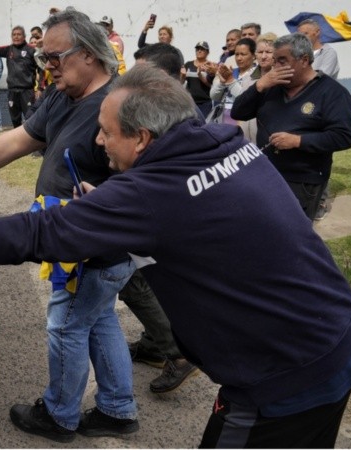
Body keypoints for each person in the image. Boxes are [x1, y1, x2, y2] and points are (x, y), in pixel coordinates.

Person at [0, 64, 351, 448]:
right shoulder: (221, 141)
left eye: (107, 131)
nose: (97, 140)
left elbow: (40, 231)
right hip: (336, 332)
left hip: (285, 375)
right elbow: (192, 217)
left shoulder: (153, 193)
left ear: (143, 138)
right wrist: (114, 211)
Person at [0, 9, 138, 443]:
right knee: (99, 319)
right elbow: (18, 139)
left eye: (55, 58)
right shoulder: (63, 93)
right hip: (76, 241)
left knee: (67, 326)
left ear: (90, 53)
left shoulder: (121, 104)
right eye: (42, 59)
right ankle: (117, 408)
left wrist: (107, 205)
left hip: (92, 246)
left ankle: (59, 416)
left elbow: (148, 178)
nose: (46, 67)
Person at [127, 42, 201, 393]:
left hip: (161, 214)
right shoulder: (155, 107)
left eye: (147, 75)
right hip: (154, 209)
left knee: (135, 281)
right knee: (147, 281)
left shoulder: (181, 116)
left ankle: (177, 353)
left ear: (174, 77)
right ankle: (155, 346)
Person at [231, 33, 351, 220]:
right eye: (275, 61)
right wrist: (259, 86)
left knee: (294, 232)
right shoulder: (271, 87)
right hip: (267, 174)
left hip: (304, 181)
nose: (275, 67)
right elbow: (238, 112)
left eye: (282, 61)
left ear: (304, 60)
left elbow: (343, 136)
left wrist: (298, 141)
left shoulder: (332, 93)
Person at [298, 18, 341, 219]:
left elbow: (319, 77)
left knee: (321, 156)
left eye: (305, 33)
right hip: (302, 112)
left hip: (321, 114)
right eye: (300, 34)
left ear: (317, 33)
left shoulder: (328, 53)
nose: (302, 37)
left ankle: (321, 200)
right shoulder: (300, 54)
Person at [0, 25, 39, 128]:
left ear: (24, 36)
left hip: (27, 91)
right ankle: (19, 142)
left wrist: (39, 88)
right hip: (12, 91)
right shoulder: (8, 50)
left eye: (19, 34)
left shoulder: (31, 50)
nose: (16, 37)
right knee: (15, 120)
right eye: (14, 35)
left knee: (30, 119)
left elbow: (41, 69)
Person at [209, 37, 258, 128]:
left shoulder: (256, 75)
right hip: (224, 119)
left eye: (243, 54)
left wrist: (231, 81)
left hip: (244, 122)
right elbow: (214, 96)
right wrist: (222, 83)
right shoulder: (231, 72)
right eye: (236, 54)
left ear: (254, 55)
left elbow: (246, 99)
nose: (239, 58)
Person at [184, 41, 215, 117]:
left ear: (207, 52)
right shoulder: (188, 64)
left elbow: (212, 85)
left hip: (205, 103)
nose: (199, 51)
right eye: (197, 49)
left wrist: (200, 75)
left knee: (202, 124)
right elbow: (181, 81)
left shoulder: (210, 66)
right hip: (190, 102)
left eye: (202, 49)